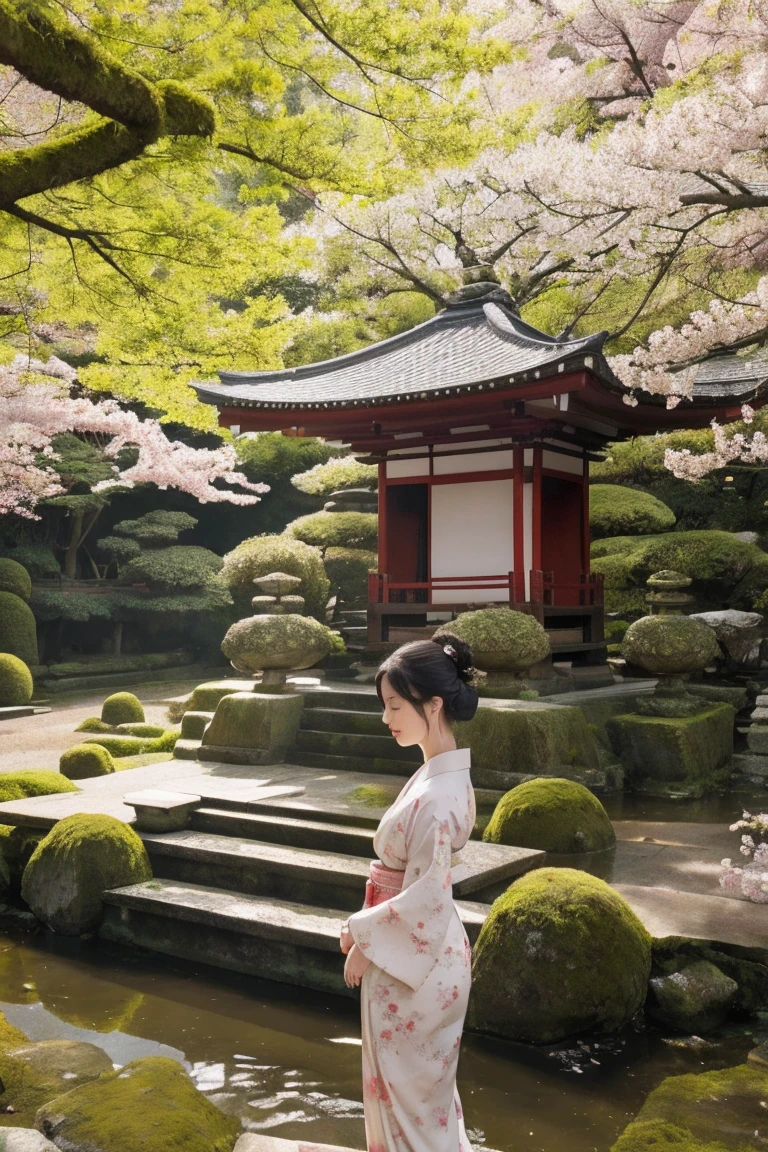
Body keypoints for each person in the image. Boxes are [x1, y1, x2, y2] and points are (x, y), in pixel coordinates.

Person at [339, 633, 480, 1152]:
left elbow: (427, 896)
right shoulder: (437, 776)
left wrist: (363, 938)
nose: (386, 717)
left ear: (434, 703)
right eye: (385, 706)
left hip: (412, 963)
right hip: (421, 954)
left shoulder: (439, 795)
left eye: (395, 705)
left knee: (411, 1105)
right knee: (417, 1102)